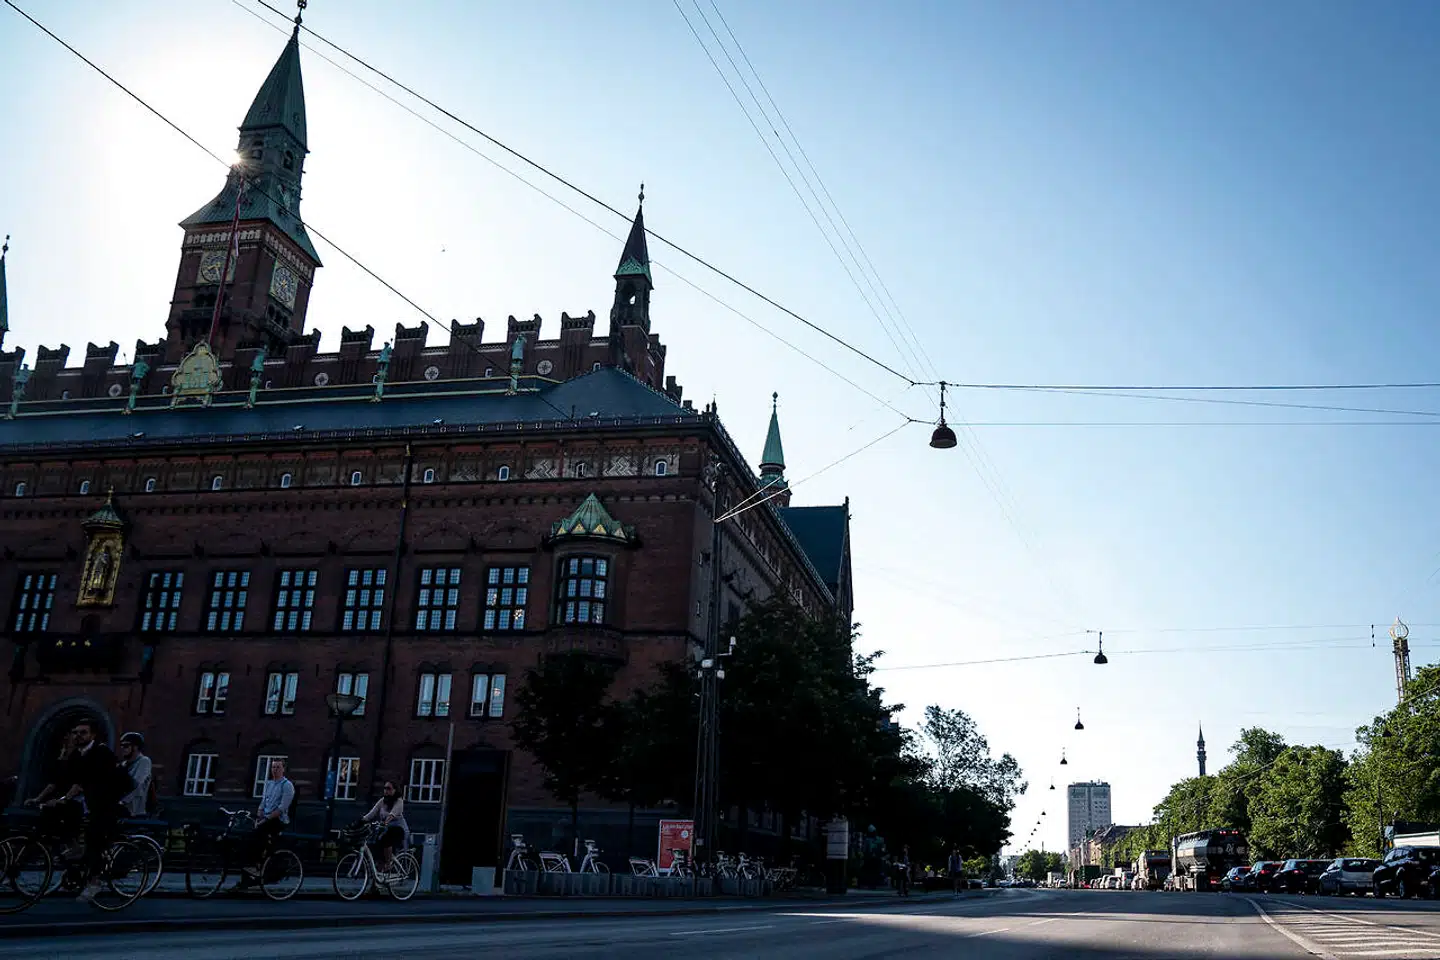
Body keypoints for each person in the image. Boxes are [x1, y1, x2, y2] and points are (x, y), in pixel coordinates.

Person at [40, 719, 132, 903]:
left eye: (83, 732)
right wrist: (40, 798)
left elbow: (82, 783)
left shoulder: (101, 753)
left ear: (93, 735)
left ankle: (95, 882)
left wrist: (63, 799)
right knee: (54, 815)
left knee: (94, 839)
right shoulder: (77, 755)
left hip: (107, 801)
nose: (78, 736)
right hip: (87, 801)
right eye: (75, 732)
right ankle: (74, 848)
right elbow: (63, 779)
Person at [242, 758, 294, 885]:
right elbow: (263, 802)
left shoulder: (287, 785)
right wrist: (259, 815)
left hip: (277, 820)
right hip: (265, 818)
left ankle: (258, 867)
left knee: (257, 835)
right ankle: (251, 870)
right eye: (273, 767)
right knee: (247, 836)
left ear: (283, 769)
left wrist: (266, 818)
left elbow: (282, 807)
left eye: (278, 767)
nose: (274, 770)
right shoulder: (269, 784)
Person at [360, 781, 408, 875]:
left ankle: (389, 864)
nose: (386, 791)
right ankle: (376, 884)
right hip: (385, 829)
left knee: (386, 840)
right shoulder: (382, 801)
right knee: (377, 848)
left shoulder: (399, 801)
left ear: (395, 790)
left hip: (399, 829)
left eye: (389, 788)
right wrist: (359, 822)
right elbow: (371, 814)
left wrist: (385, 822)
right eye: (385, 788)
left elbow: (392, 814)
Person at [117, 733, 152, 818]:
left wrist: (123, 801)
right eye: (121, 745)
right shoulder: (123, 765)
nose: (122, 748)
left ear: (135, 747)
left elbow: (138, 785)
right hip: (120, 810)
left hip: (135, 811)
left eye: (125, 746)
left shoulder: (144, 761)